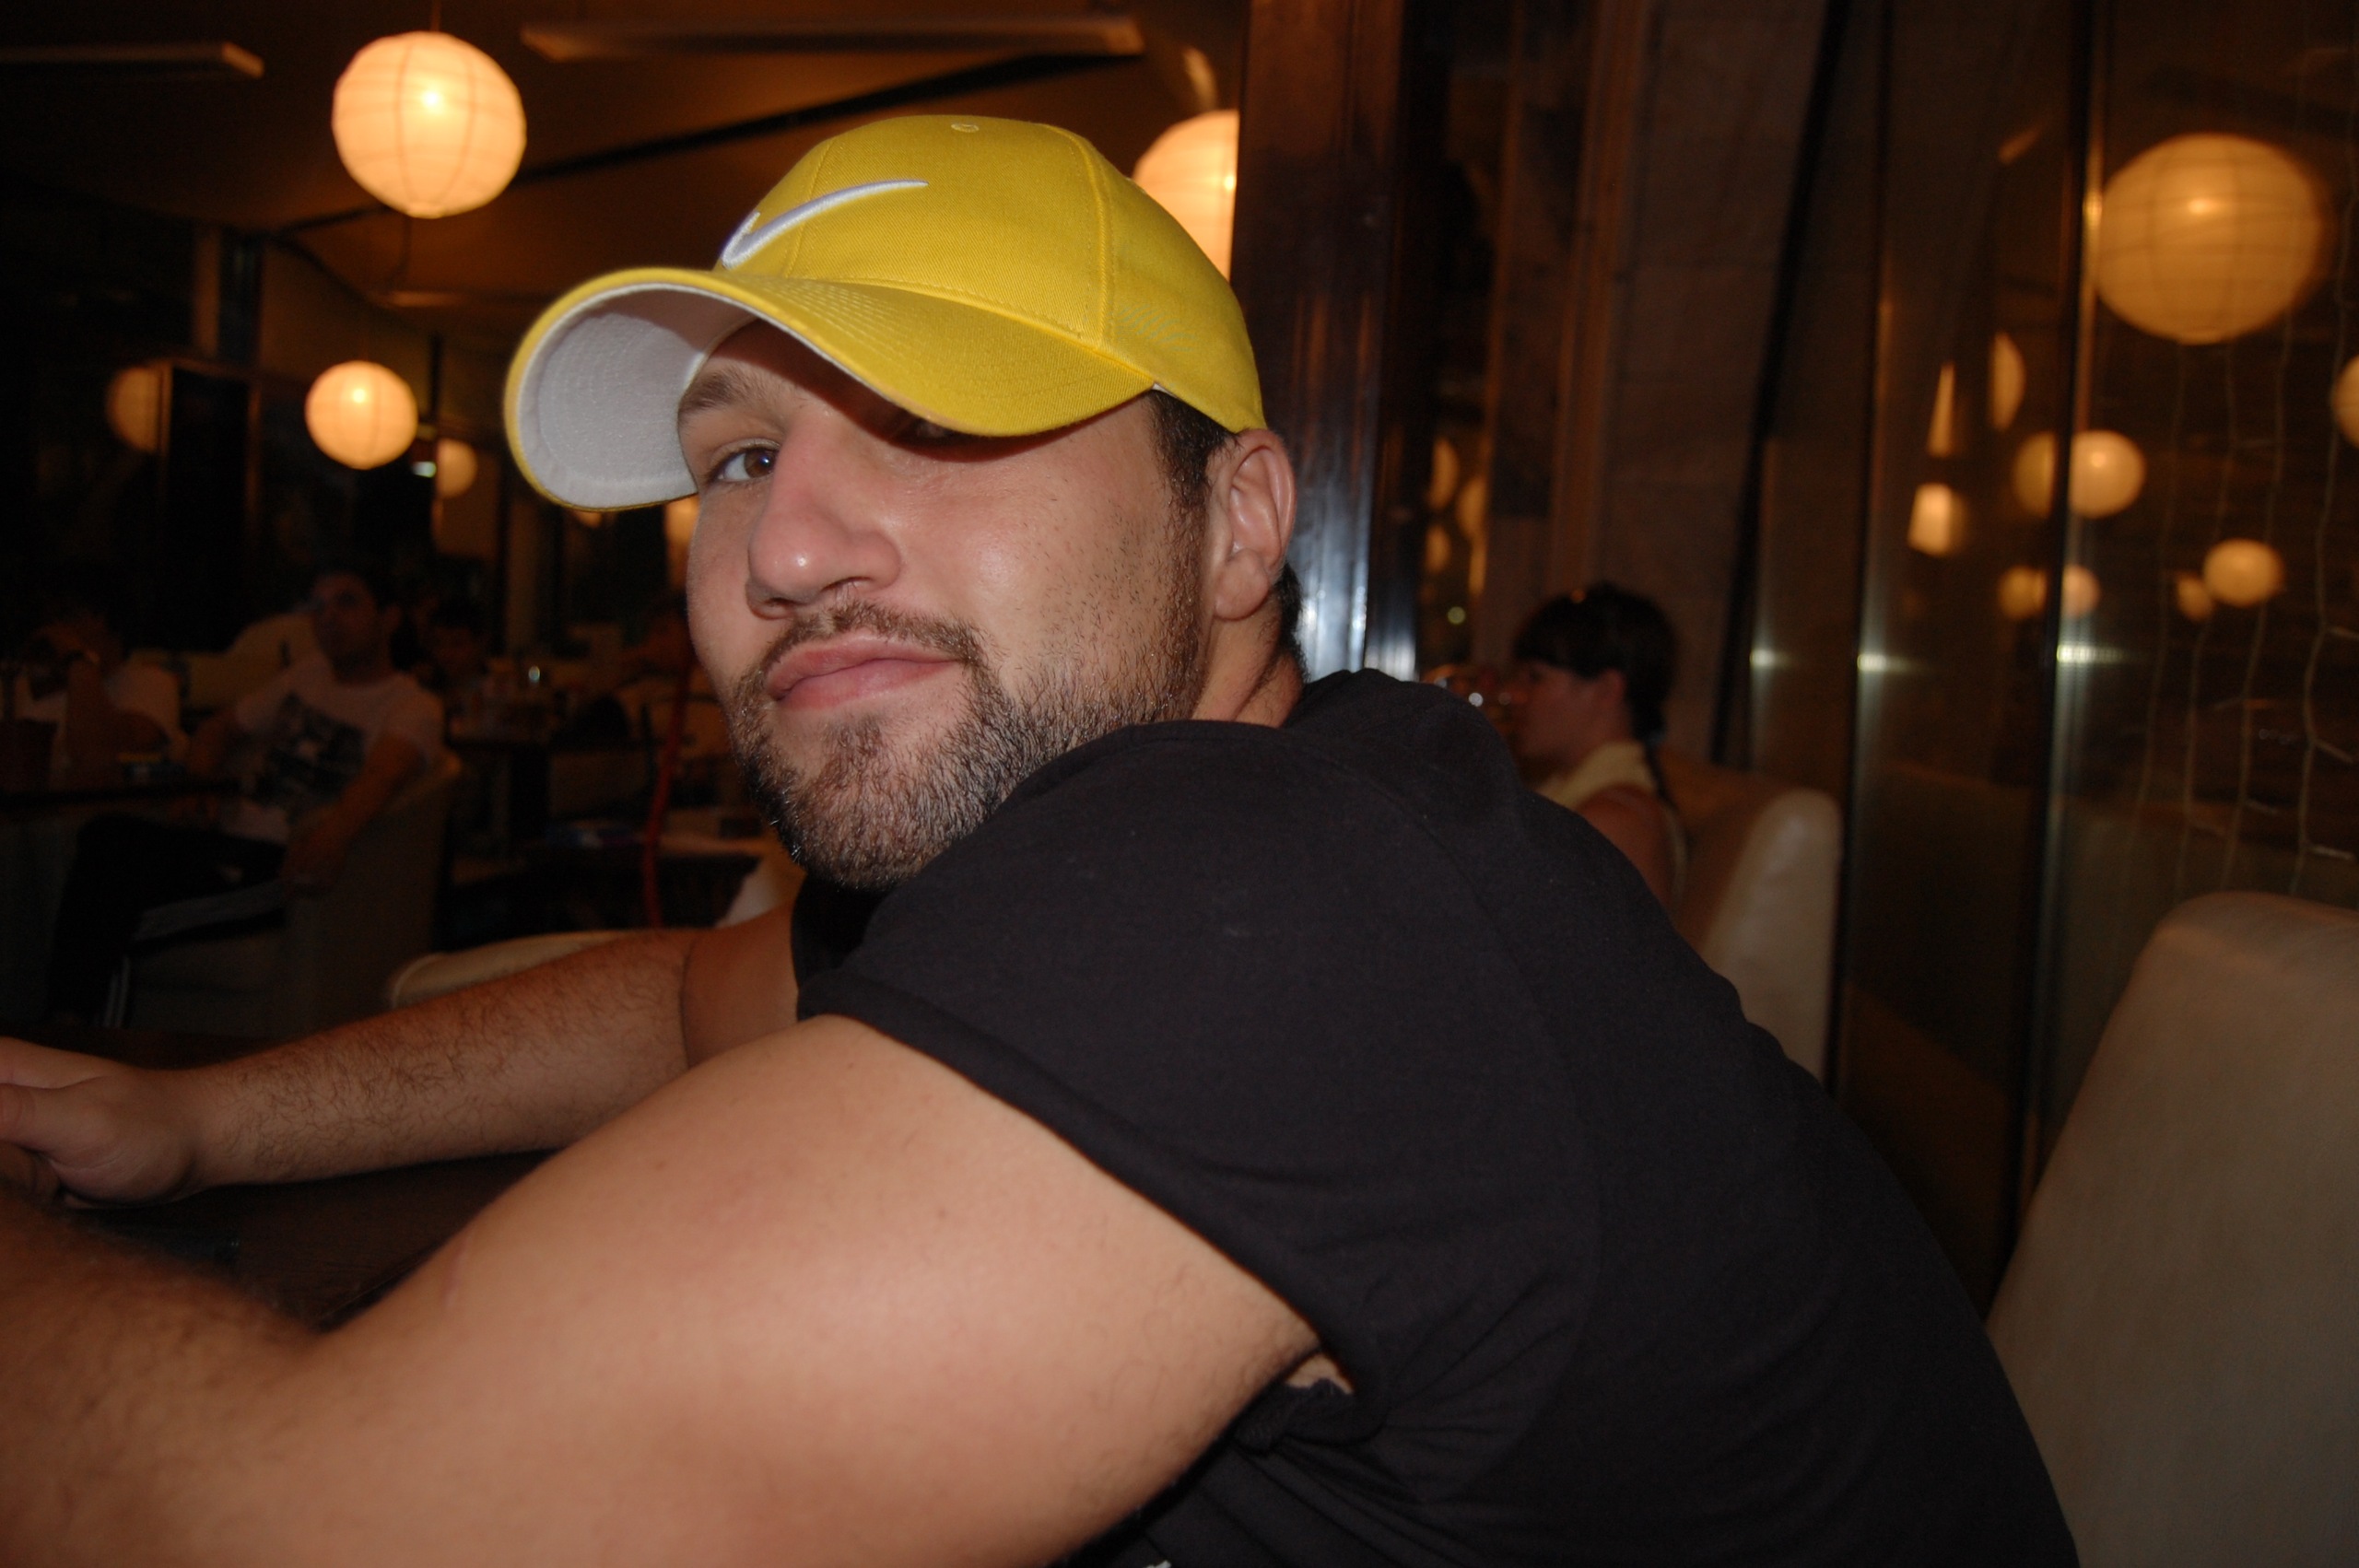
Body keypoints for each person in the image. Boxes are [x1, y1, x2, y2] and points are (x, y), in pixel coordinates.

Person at [0, 116, 2072, 1565]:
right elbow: (680, 995)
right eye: (739, 459)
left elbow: (283, 1524)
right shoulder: (1112, 844)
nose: (783, 550)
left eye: (933, 421)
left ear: (1237, 522)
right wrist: (195, 1117)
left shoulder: (1275, 894)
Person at [41, 564, 444, 1021]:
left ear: (389, 618)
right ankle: (67, 1019)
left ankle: (74, 1026)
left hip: (276, 864)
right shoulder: (307, 675)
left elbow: (383, 776)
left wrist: (332, 836)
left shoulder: (411, 704)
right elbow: (216, 731)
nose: (328, 617)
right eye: (318, 606)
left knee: (111, 905)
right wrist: (199, 785)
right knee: (106, 835)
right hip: (224, 841)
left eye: (347, 602)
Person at [1507, 586, 1684, 906]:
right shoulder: (1580, 790)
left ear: (1606, 689)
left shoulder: (1615, 822)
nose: (1515, 695)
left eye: (1535, 677)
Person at [8, 584, 183, 781]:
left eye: (68, 616)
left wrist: (77, 658)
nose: (55, 631)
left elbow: (98, 756)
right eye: (51, 620)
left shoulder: (150, 682)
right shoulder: (27, 687)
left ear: (103, 621)